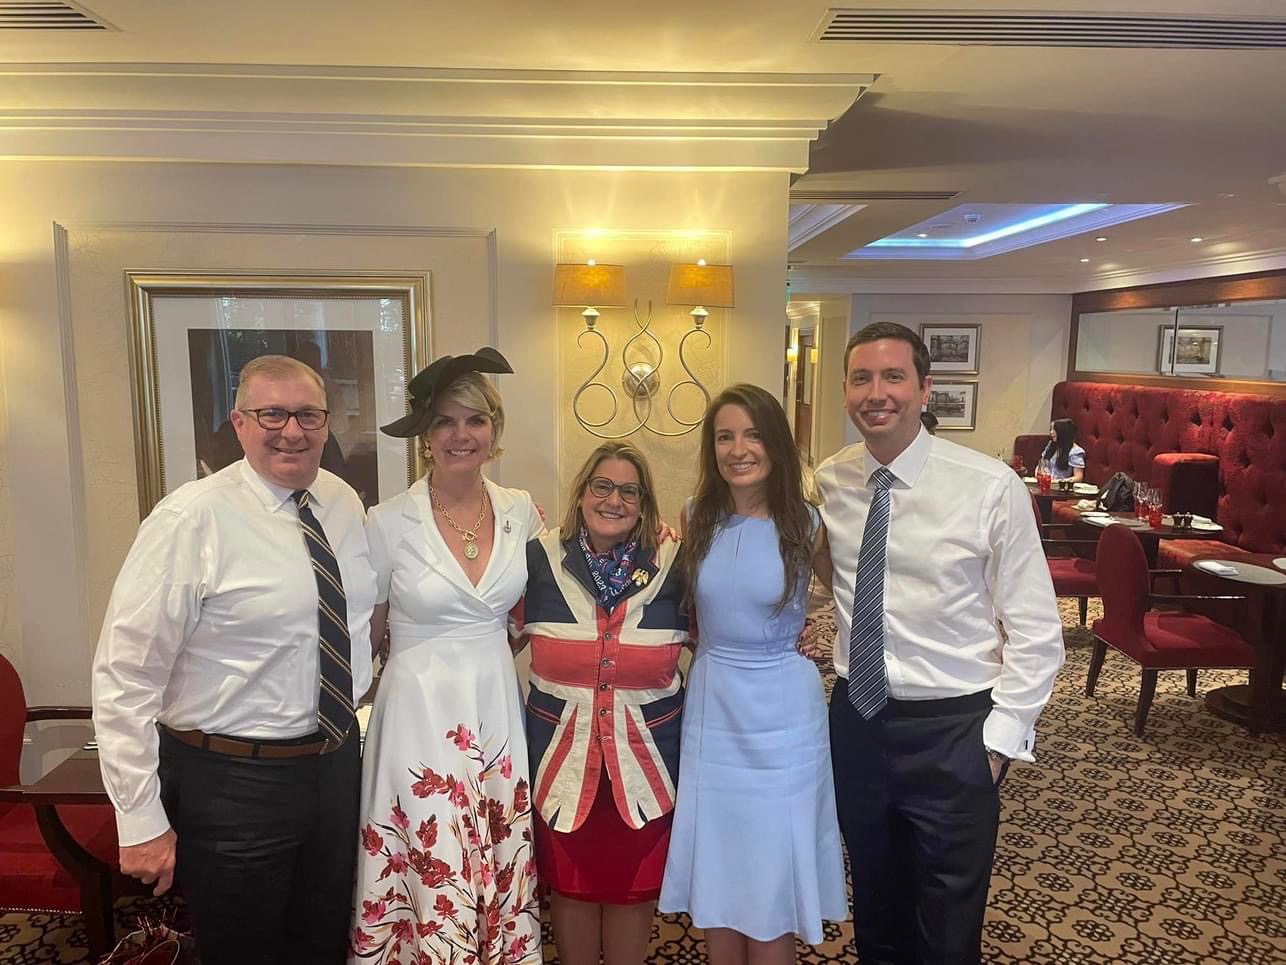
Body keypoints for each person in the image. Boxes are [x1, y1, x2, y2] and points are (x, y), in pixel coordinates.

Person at [92, 355, 377, 965]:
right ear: (239, 422)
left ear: (327, 424)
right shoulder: (190, 519)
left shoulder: (343, 502)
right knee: (242, 950)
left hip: (333, 769)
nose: (292, 431)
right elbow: (125, 677)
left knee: (323, 941)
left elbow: (353, 623)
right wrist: (139, 817)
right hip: (232, 784)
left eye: (307, 414)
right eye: (272, 413)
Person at [814, 321, 1063, 964]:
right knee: (875, 904)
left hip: (955, 728)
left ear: (926, 389)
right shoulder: (831, 481)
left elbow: (1037, 630)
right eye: (862, 378)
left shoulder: (988, 487)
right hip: (858, 720)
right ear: (845, 390)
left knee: (948, 924)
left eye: (894, 376)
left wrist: (1001, 741)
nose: (877, 393)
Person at [349, 348, 544, 965]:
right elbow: (369, 634)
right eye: (445, 422)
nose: (461, 435)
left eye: (475, 420)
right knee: (432, 858)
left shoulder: (522, 511)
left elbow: (538, 613)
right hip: (418, 715)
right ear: (425, 437)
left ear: (494, 429)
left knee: (494, 850)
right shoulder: (385, 522)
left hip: (495, 707)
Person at [659, 383, 847, 964]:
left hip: (783, 713)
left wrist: (826, 636)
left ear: (776, 444)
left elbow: (856, 598)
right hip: (714, 705)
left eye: (753, 434)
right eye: (724, 437)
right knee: (719, 873)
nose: (738, 449)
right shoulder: (697, 516)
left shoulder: (807, 521)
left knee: (769, 882)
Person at [512, 441, 688, 965]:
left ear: (645, 502)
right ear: (583, 493)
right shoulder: (538, 561)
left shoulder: (676, 565)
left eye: (628, 490)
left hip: (647, 767)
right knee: (570, 892)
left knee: (635, 894)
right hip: (562, 767)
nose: (614, 500)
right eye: (602, 486)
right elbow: (484, 637)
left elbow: (724, 645)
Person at [1041, 417, 1085, 482]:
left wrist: (1057, 482)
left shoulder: (1075, 451)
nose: (1051, 432)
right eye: (1051, 429)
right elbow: (1041, 464)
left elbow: (1078, 477)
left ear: (1062, 431)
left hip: (1060, 486)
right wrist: (1040, 474)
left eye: (1054, 430)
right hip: (1044, 482)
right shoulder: (1051, 445)